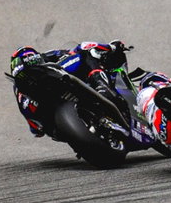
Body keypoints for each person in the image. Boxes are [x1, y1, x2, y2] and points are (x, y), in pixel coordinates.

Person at [8, 40, 140, 138]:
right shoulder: (21, 91)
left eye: (29, 57)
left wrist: (110, 47)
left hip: (72, 79)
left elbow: (77, 50)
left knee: (84, 52)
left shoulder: (49, 56)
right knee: (84, 51)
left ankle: (101, 86)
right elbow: (35, 126)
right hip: (58, 117)